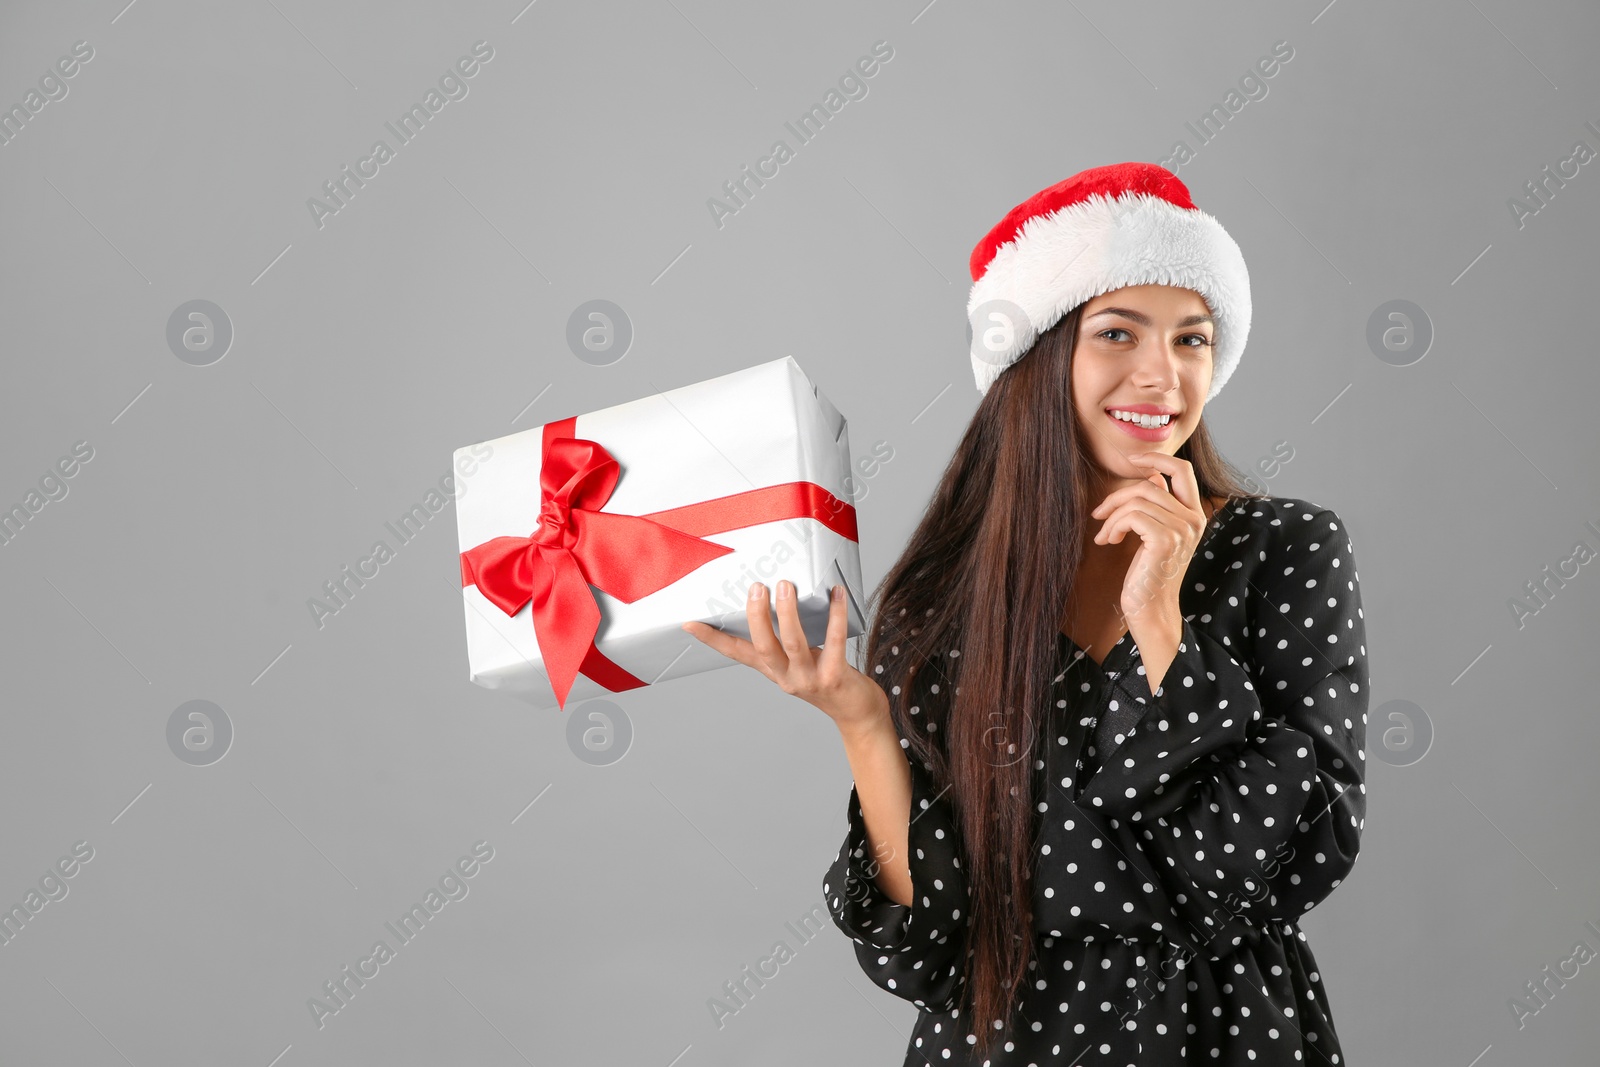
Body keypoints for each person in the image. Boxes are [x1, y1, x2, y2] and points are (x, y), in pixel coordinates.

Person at [683, 162, 1368, 1065]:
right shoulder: (944, 595)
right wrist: (861, 723)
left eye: (1193, 340)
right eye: (1117, 332)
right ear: (1041, 356)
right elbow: (921, 951)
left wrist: (1160, 613)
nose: (1162, 375)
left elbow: (1273, 866)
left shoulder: (1284, 550)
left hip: (1223, 1035)